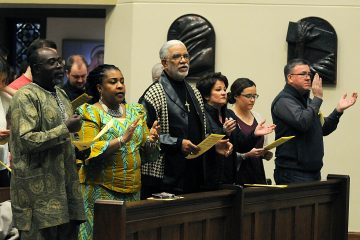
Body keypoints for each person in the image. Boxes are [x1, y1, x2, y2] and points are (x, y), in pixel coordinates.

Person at [76, 64, 160, 240]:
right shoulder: (90, 113)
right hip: (101, 189)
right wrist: (121, 139)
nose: (120, 85)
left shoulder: (135, 111)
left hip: (133, 190)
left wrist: (152, 140)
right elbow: (87, 151)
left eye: (122, 81)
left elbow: (144, 153)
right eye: (113, 82)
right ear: (100, 88)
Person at [139, 40, 232, 198]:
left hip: (194, 174)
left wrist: (213, 145)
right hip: (165, 177)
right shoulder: (154, 93)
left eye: (186, 56)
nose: (183, 60)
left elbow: (199, 131)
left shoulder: (193, 91)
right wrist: (177, 143)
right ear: (165, 63)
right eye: (176, 57)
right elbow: (143, 137)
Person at [9, 47, 85, 239]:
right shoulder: (25, 96)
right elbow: (27, 140)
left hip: (65, 190)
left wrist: (79, 149)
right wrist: (65, 128)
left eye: (60, 60)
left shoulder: (61, 94)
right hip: (38, 195)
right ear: (36, 68)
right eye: (52, 62)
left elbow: (63, 138)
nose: (59, 65)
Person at [271, 58, 357, 184]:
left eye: (309, 74)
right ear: (290, 78)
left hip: (312, 171)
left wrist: (338, 111)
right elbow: (303, 123)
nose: (308, 77)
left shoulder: (308, 102)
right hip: (293, 171)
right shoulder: (284, 101)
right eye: (303, 74)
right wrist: (317, 98)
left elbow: (323, 128)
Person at [196, 72, 275, 187]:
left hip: (230, 178)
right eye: (218, 90)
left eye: (224, 89)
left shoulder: (229, 114)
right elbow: (202, 144)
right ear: (206, 95)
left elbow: (242, 145)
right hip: (208, 178)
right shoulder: (201, 115)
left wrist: (254, 134)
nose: (224, 93)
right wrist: (223, 132)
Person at [228, 77, 273, 184]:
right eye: (248, 96)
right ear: (236, 96)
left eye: (254, 96)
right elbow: (227, 153)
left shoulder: (258, 117)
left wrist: (265, 153)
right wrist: (245, 155)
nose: (252, 100)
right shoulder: (229, 117)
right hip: (238, 176)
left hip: (257, 174)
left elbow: (262, 145)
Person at [0, 56, 11, 187]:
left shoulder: (2, 95)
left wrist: (5, 88)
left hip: (2, 164)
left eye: (3, 81)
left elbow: (23, 100)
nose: (1, 85)